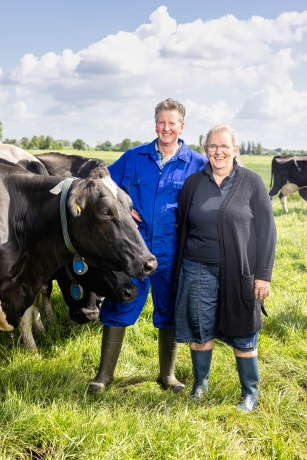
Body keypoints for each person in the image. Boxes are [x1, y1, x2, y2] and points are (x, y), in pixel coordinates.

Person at [89, 98, 208, 393]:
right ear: (154, 124)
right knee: (120, 302)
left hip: (174, 249)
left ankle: (167, 376)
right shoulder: (133, 157)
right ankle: (104, 375)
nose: (165, 128)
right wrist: (121, 204)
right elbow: (99, 181)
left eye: (172, 123)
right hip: (133, 248)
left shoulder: (197, 164)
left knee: (169, 310)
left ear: (182, 126)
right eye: (161, 122)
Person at [174, 124, 276, 412]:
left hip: (240, 272)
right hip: (196, 268)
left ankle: (249, 393)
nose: (218, 151)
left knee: (244, 331)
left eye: (224, 146)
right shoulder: (194, 183)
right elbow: (182, 223)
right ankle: (200, 385)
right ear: (206, 150)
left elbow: (267, 231)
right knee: (200, 327)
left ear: (235, 149)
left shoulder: (252, 183)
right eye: (212, 146)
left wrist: (263, 276)